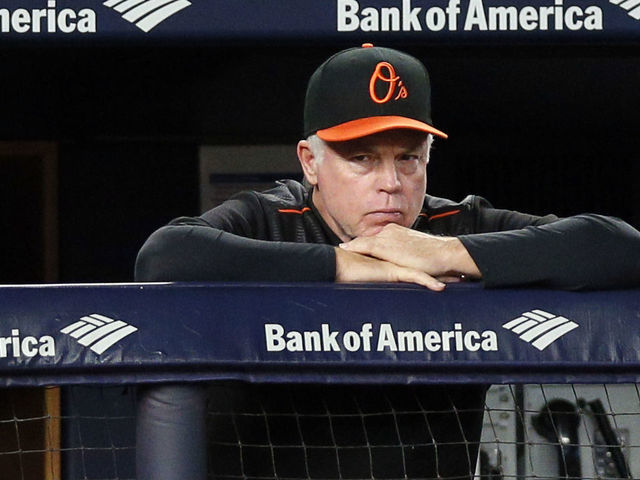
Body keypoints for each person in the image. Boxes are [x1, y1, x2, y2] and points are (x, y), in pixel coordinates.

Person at [135, 44, 640, 479]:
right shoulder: (271, 218)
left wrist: (444, 253)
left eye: (407, 158)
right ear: (311, 162)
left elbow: (620, 245)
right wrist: (342, 265)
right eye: (362, 159)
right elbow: (164, 254)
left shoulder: (453, 226)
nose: (391, 183)